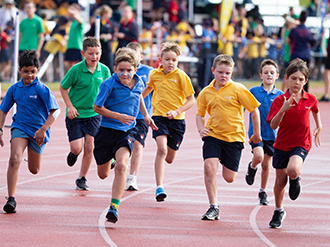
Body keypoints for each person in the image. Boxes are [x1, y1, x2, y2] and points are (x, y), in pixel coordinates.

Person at [93, 47, 157, 223]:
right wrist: (117, 116)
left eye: (129, 70)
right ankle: (110, 159)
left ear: (135, 70)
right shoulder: (108, 84)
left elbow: (139, 98)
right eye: (121, 70)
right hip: (106, 131)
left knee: (122, 166)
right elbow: (97, 107)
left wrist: (146, 116)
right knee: (103, 174)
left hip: (127, 131)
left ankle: (114, 207)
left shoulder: (139, 82)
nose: (125, 73)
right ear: (115, 69)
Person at [196, 54, 261, 221]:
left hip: (234, 138)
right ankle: (213, 207)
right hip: (213, 135)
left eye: (227, 73)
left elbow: (254, 110)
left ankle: (243, 165)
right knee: (209, 167)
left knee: (229, 178)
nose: (224, 76)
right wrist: (201, 129)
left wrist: (256, 134)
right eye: (220, 72)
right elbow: (200, 114)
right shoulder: (206, 92)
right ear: (213, 71)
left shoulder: (238, 89)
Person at [0, 49, 60, 213]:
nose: (29, 75)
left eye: (33, 72)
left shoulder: (42, 89)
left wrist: (43, 129)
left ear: (37, 71)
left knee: (34, 170)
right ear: (20, 71)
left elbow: (56, 111)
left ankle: (30, 154)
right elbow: (3, 110)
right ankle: (11, 199)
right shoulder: (14, 89)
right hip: (20, 127)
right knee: (14, 159)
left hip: (38, 132)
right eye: (26, 72)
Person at [267, 58, 322, 228]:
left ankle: (296, 178)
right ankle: (278, 210)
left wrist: (318, 126)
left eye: (300, 79)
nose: (297, 82)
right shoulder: (279, 101)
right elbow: (273, 125)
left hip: (302, 143)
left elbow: (315, 110)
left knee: (292, 169)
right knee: (279, 182)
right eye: (293, 78)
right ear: (286, 79)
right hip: (282, 144)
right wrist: (283, 109)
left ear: (305, 81)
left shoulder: (310, 98)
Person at [142, 42, 195, 202]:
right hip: (159, 117)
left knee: (169, 158)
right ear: (160, 60)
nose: (170, 62)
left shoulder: (181, 76)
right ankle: (159, 187)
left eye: (174, 60)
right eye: (167, 59)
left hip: (177, 121)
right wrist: (142, 112)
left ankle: (162, 167)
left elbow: (192, 100)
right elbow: (141, 95)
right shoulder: (155, 75)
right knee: (162, 150)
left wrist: (177, 111)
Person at [60, 37, 111, 191]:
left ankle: (82, 178)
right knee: (77, 148)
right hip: (75, 115)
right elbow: (63, 88)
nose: (94, 57)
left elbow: (108, 91)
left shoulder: (105, 70)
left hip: (94, 114)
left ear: (101, 53)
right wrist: (69, 106)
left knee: (90, 147)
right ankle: (74, 153)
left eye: (97, 53)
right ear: (83, 53)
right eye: (90, 54)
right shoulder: (75, 70)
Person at [245, 59, 283, 205]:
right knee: (259, 157)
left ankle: (262, 191)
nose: (269, 75)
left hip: (273, 135)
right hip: (256, 133)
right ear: (260, 75)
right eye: (266, 73)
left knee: (267, 165)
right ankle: (252, 166)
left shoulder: (280, 95)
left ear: (277, 75)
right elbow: (242, 106)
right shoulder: (254, 91)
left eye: (272, 73)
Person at [125, 42, 154, 191]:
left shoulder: (150, 72)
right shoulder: (122, 71)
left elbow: (158, 92)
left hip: (142, 116)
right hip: (124, 114)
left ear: (141, 57)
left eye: (134, 56)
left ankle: (132, 177)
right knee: (123, 144)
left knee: (137, 145)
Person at [287, 10, 316, 92]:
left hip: (296, 54)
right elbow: (313, 42)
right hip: (306, 55)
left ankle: (292, 92)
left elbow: (288, 41)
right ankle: (305, 94)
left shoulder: (294, 30)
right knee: (305, 75)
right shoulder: (308, 31)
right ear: (306, 19)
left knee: (293, 74)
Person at [85, 5, 115, 72]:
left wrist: (109, 36)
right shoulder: (96, 23)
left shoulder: (109, 24)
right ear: (105, 13)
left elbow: (113, 35)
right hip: (98, 47)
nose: (110, 15)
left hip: (107, 48)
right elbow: (89, 34)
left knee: (110, 65)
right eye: (109, 13)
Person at [65, 3, 85, 70]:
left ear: (78, 10)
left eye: (73, 9)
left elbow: (80, 22)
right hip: (70, 46)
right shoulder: (72, 21)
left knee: (77, 66)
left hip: (77, 46)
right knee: (69, 66)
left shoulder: (80, 20)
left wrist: (73, 13)